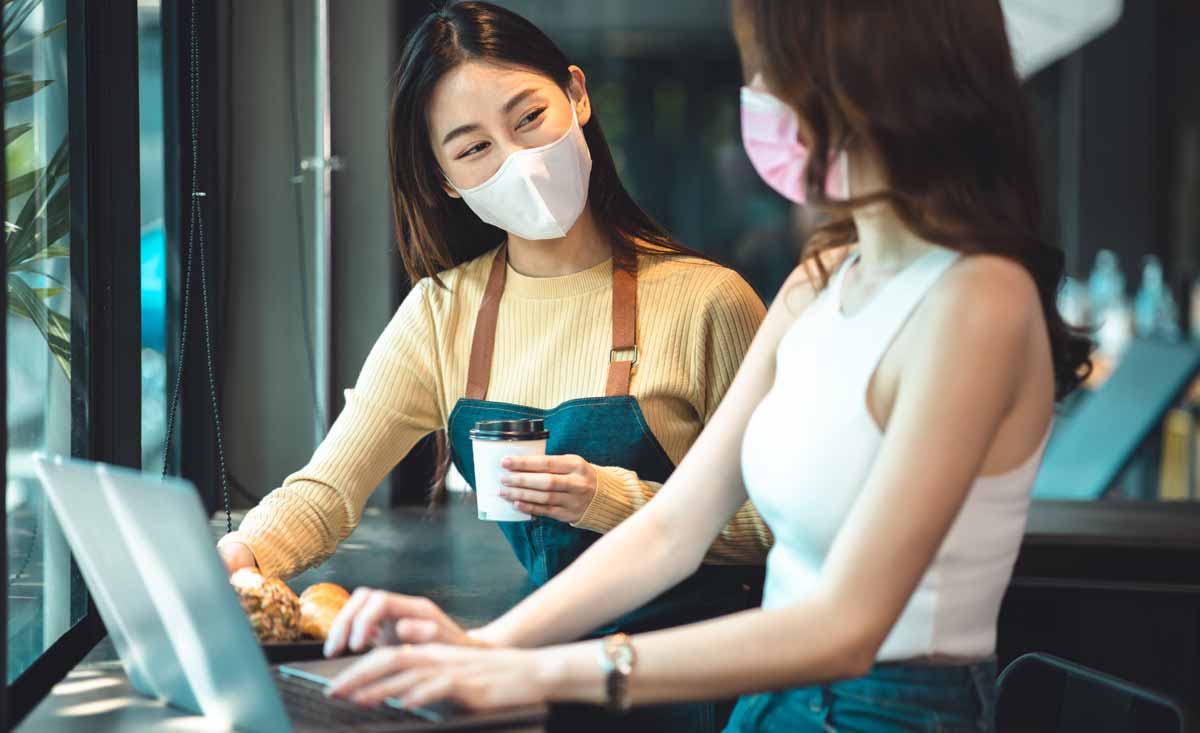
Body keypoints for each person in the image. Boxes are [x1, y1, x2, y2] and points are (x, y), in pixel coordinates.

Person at [320, 2, 1093, 731]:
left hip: (884, 707)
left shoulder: (981, 301)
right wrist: (486, 644)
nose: (757, 101)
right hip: (767, 702)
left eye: (773, 72)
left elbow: (845, 629)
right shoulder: (823, 277)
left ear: (880, 83)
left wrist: (540, 673)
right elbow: (672, 528)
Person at [218, 2, 770, 730]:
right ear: (446, 179)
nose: (518, 160)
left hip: (703, 676)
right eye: (474, 148)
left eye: (529, 118)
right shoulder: (441, 314)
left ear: (576, 95)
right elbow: (326, 491)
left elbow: (773, 525)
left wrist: (605, 495)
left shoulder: (709, 301)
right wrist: (237, 559)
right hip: (536, 663)